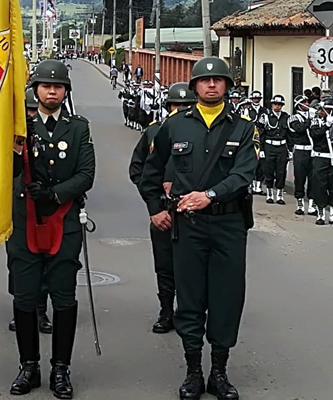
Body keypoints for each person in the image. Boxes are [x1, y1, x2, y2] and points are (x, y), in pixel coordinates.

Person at [140, 57, 258, 400]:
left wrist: (210, 194)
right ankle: (193, 370)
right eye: (204, 81)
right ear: (193, 87)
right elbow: (150, 172)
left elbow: (244, 174)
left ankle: (219, 371)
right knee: (189, 298)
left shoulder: (243, 127)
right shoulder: (174, 126)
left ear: (227, 86)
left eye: (218, 81)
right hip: (187, 226)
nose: (211, 85)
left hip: (228, 223)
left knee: (226, 296)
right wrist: (154, 209)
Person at [7, 59, 95, 399]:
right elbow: (4, 168)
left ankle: (61, 368)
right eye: (46, 85)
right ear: (36, 90)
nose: (52, 90)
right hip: (25, 221)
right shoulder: (20, 129)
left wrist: (56, 194)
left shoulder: (78, 128)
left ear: (65, 92)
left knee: (63, 298)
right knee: (25, 298)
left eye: (58, 86)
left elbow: (86, 173)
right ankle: (29, 365)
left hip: (64, 221)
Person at [129, 82, 196, 335]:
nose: (180, 110)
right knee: (165, 265)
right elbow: (138, 170)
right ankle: (166, 311)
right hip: (163, 211)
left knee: (192, 266)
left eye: (186, 106)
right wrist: (155, 207)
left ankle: (189, 312)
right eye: (176, 105)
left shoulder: (202, 133)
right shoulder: (154, 132)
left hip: (193, 213)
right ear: (168, 106)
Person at [8, 87, 54, 335]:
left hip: (43, 206)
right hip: (16, 206)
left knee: (45, 262)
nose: (31, 115)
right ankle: (21, 308)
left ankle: (40, 310)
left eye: (34, 110)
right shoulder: (12, 135)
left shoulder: (51, 133)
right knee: (17, 263)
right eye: (27, 110)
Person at [307, 98, 333, 226]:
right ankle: (321, 212)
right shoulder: (316, 121)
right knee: (319, 185)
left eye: (324, 109)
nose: (321, 111)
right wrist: (326, 126)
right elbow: (315, 134)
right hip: (320, 157)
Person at [257, 94, 290, 204]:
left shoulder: (286, 117)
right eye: (275, 104)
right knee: (268, 170)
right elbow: (260, 133)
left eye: (280, 104)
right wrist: (261, 149)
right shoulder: (265, 116)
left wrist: (290, 150)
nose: (277, 106)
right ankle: (270, 193)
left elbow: (289, 135)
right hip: (269, 146)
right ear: (272, 105)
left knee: (281, 171)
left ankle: (280, 194)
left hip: (281, 146)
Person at [288, 95, 317, 215]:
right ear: (299, 105)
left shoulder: (313, 116)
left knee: (314, 178)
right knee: (299, 177)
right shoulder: (293, 118)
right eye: (304, 102)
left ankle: (312, 204)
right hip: (300, 151)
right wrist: (310, 119)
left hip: (312, 150)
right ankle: (299, 203)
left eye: (307, 101)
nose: (307, 104)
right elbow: (299, 129)